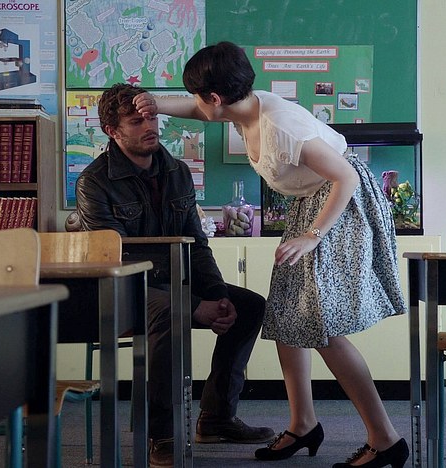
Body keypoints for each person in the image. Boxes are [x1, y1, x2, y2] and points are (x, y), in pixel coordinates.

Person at [134, 42, 409, 468]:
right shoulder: (244, 108)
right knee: (285, 316)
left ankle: (385, 438)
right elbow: (198, 109)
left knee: (321, 324)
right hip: (311, 204)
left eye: (197, 95)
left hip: (338, 207)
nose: (194, 103)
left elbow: (347, 177)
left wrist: (313, 236)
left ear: (216, 98)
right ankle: (303, 424)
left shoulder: (281, 125)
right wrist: (154, 102)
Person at [75, 83, 275, 468]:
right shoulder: (93, 182)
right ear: (112, 131)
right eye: (137, 122)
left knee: (248, 306)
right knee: (170, 311)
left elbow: (196, 244)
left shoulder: (177, 171)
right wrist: (194, 305)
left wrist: (216, 295)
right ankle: (162, 436)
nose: (150, 126)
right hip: (123, 287)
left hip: (176, 282)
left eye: (152, 117)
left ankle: (216, 418)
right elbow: (117, 257)